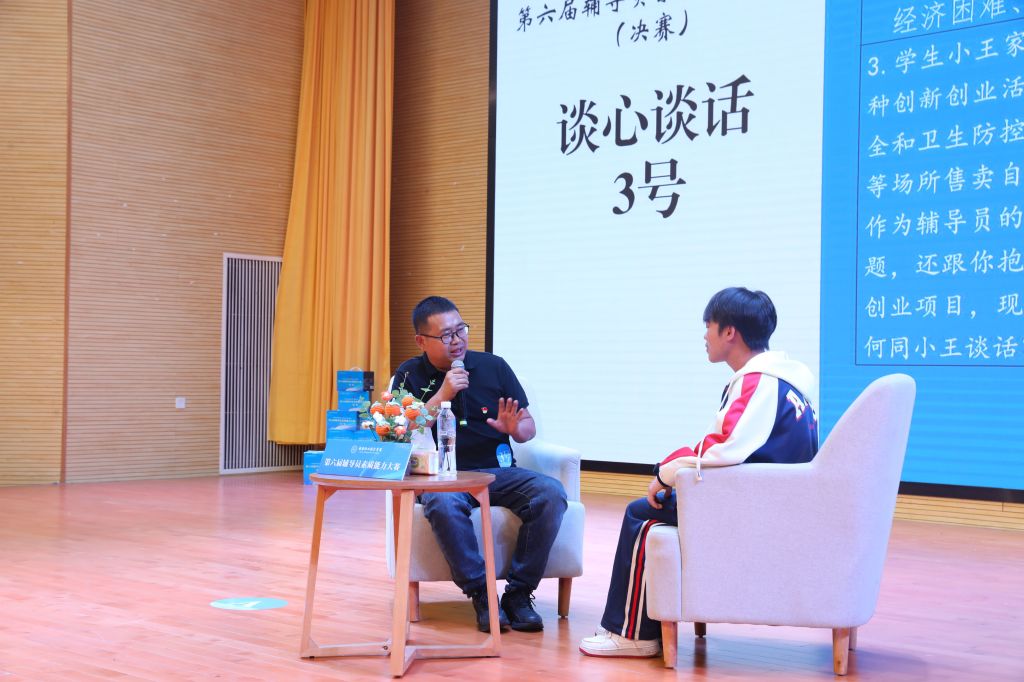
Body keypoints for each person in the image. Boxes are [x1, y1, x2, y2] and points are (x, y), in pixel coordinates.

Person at [579, 287, 819, 658]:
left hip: (758, 509)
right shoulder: (788, 381)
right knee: (660, 506)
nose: (704, 335)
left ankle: (633, 635)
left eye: (708, 325)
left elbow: (724, 447)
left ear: (729, 332)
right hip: (774, 501)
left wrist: (667, 473)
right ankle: (637, 628)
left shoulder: (759, 381)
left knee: (642, 515)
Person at [393, 296, 568, 633]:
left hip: (497, 473)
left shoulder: (493, 366)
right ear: (421, 341)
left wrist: (515, 428)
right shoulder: (409, 375)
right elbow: (404, 430)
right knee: (442, 503)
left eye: (461, 330)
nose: (457, 340)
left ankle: (518, 594)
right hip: (442, 476)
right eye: (446, 335)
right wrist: (443, 393)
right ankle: (482, 594)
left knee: (550, 493)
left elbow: (527, 428)